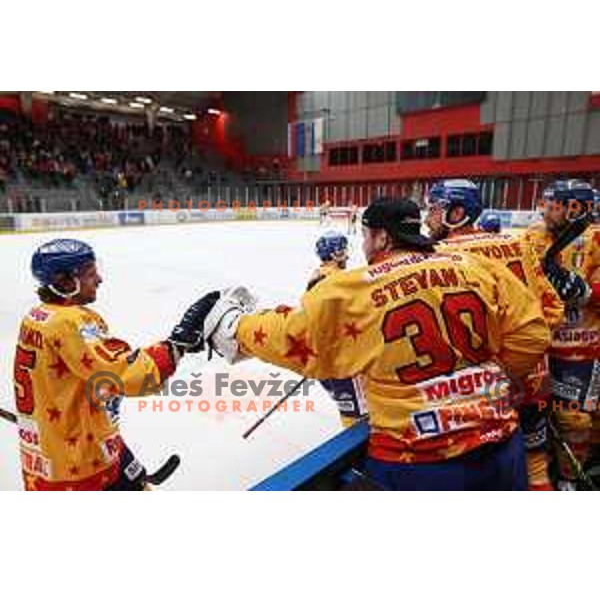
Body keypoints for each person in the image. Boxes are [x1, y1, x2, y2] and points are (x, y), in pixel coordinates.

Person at [197, 198, 551, 490]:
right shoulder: (475, 265)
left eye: (365, 236)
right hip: (502, 444)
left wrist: (237, 326)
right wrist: (492, 380)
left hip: (415, 459)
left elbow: (296, 337)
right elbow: (532, 333)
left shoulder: (354, 288)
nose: (362, 245)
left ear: (382, 238)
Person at [14, 238, 217, 490]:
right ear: (65, 282)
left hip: (53, 454)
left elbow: (76, 381)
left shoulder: (37, 317)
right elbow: (121, 373)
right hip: (79, 470)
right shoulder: (69, 323)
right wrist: (177, 344)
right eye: (90, 274)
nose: (99, 278)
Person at [425, 179, 564, 490]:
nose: (428, 217)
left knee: (479, 473)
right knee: (535, 464)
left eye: (434, 209)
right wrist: (523, 360)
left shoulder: (435, 255)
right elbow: (552, 309)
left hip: (476, 390)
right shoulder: (519, 245)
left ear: (456, 213)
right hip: (532, 378)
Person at [523, 179, 600, 490]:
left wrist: (584, 292)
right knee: (540, 414)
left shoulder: (596, 239)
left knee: (575, 420)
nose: (545, 212)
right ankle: (547, 470)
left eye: (553, 207)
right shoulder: (531, 237)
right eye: (545, 205)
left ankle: (569, 477)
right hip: (540, 349)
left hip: (582, 350)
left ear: (576, 209)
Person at [307, 231, 367, 428]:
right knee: (360, 418)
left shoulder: (318, 276)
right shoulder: (337, 280)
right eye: (342, 251)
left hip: (327, 360)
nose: (347, 255)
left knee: (350, 410)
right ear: (334, 254)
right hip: (345, 361)